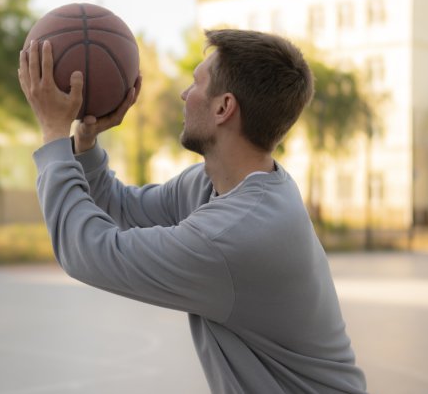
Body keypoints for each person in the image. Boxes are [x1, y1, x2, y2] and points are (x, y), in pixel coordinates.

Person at [18, 28, 367, 393]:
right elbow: (121, 208)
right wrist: (84, 143)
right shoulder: (217, 185)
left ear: (223, 107)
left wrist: (54, 136)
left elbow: (88, 252)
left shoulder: (238, 234)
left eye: (196, 82)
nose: (185, 94)